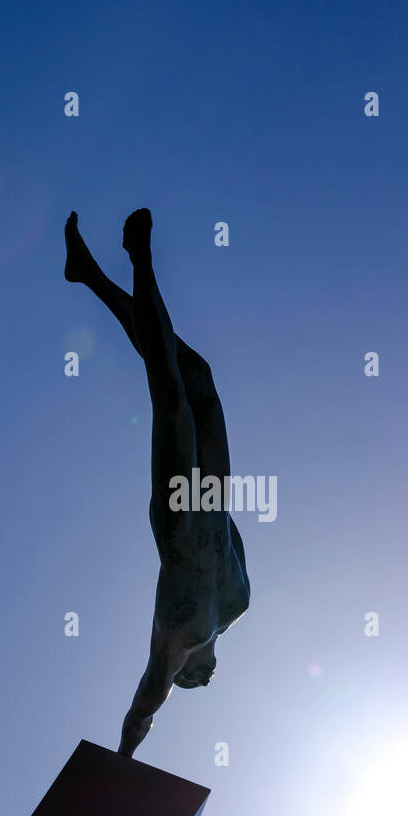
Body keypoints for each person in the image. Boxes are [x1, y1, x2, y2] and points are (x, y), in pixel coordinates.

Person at [64, 208, 250, 756]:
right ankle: (90, 275)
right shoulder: (238, 603)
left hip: (178, 520)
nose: (203, 678)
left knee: (169, 392)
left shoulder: (175, 643)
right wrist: (211, 491)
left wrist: (122, 760)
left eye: (191, 681)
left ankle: (138, 259)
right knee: (202, 383)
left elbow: (143, 708)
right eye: (201, 681)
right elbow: (231, 534)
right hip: (211, 501)